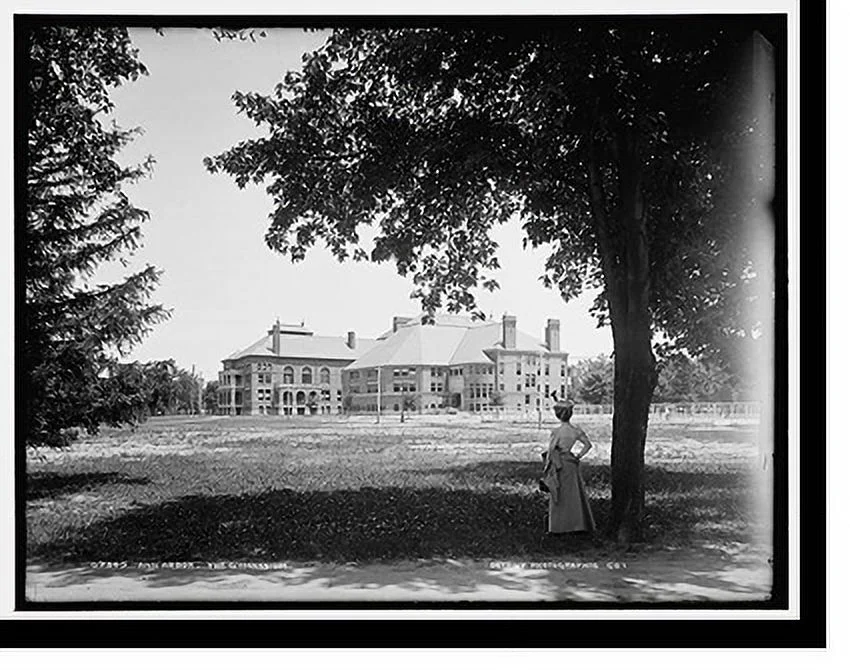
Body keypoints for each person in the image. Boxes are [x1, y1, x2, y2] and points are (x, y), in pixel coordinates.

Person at [540, 399, 596, 537]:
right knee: (574, 495)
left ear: (557, 415)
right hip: (571, 464)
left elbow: (552, 450)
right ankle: (577, 524)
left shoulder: (556, 432)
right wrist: (578, 456)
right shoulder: (575, 431)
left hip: (559, 465)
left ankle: (558, 527)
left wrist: (546, 468)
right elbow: (588, 445)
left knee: (558, 494)